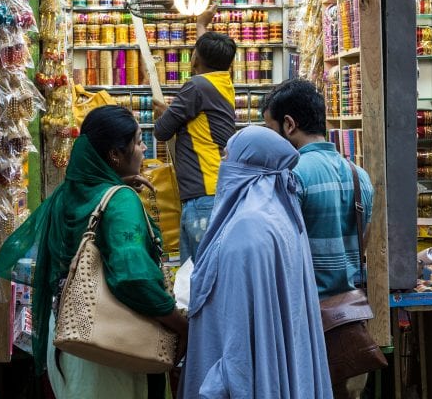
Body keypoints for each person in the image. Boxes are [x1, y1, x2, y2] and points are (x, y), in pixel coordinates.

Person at [0, 105, 185, 399]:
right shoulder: (122, 202)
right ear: (115, 155)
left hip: (70, 337)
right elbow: (134, 278)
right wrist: (180, 324)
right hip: (112, 345)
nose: (144, 147)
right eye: (137, 141)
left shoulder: (66, 193)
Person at [182, 126, 332, 399]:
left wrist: (218, 386)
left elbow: (238, 332)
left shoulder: (248, 227)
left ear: (250, 165)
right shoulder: (279, 213)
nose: (222, 166)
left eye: (228, 158)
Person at [262, 79, 374, 399]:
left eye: (271, 130)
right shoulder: (359, 175)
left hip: (306, 319)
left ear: (289, 124)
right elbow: (362, 242)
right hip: (349, 317)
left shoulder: (291, 175)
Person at [153, 30, 237, 263]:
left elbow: (161, 131)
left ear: (195, 58)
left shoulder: (197, 86)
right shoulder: (224, 83)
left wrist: (165, 116)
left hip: (202, 195)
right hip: (216, 188)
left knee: (197, 275)